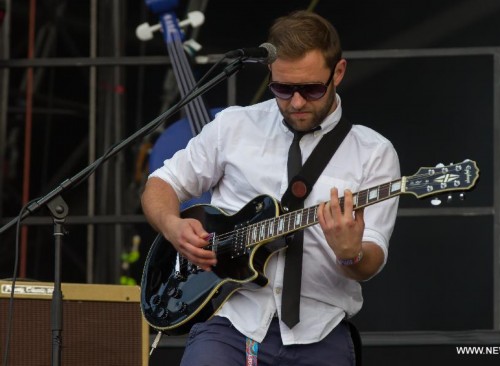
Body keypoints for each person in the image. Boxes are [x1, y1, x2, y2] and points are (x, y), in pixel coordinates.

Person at [141, 10, 400, 366]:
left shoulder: (374, 153)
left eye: (310, 89)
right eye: (283, 88)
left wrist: (350, 253)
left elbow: (370, 261)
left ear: (338, 72)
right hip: (230, 322)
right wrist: (173, 226)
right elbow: (161, 184)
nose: (296, 102)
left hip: (321, 330)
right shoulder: (233, 126)